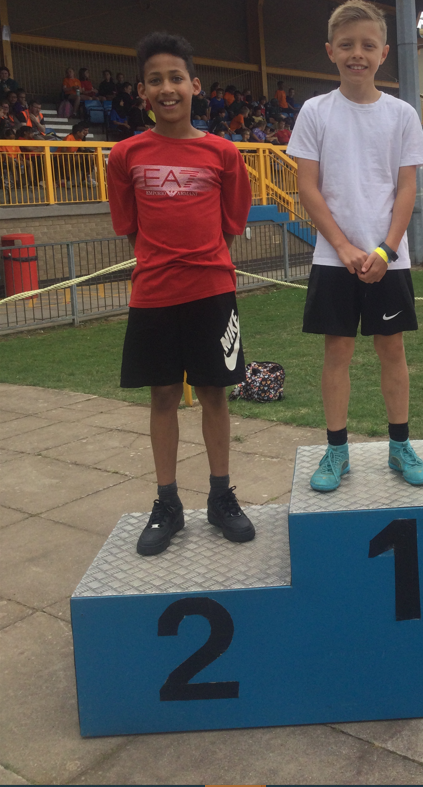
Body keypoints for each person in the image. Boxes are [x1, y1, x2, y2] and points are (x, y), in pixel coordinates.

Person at [106, 31, 254, 556]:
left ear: (194, 85)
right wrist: (162, 263)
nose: (166, 88)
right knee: (163, 395)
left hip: (211, 290)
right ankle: (167, 502)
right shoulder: (125, 155)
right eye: (155, 80)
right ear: (141, 91)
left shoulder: (223, 153)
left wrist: (203, 262)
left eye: (175, 78)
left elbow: (231, 223)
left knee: (215, 393)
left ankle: (220, 497)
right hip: (153, 296)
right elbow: (129, 227)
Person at [287, 0, 423, 493]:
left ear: (384, 52)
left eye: (368, 45)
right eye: (347, 45)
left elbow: (406, 189)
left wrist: (386, 251)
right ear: (330, 51)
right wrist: (345, 247)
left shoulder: (401, 115)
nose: (357, 54)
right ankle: (336, 451)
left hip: (387, 257)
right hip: (334, 256)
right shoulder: (315, 111)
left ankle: (399, 445)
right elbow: (309, 186)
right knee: (338, 351)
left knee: (392, 349)